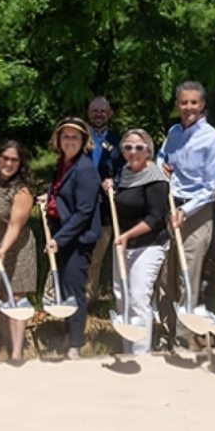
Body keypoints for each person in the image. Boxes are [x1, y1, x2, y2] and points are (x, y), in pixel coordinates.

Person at [158, 81, 215, 346]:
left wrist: (185, 211)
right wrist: (159, 166)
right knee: (167, 276)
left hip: (195, 213)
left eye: (193, 103)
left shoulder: (212, 139)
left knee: (189, 277)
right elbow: (161, 158)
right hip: (171, 207)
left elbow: (211, 187)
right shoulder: (174, 132)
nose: (188, 108)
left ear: (203, 105)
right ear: (177, 105)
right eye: (183, 102)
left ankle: (183, 341)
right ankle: (165, 331)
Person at [40, 117, 102, 360]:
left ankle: (75, 345)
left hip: (78, 238)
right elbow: (60, 190)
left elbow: (84, 212)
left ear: (84, 140)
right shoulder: (63, 163)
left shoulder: (85, 169)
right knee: (65, 289)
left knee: (74, 290)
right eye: (65, 136)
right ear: (58, 139)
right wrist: (49, 199)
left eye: (75, 137)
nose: (69, 140)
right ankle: (68, 337)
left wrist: (59, 239)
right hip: (64, 232)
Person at [107, 129, 169, 355]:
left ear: (149, 150)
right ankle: (128, 349)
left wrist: (127, 235)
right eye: (128, 147)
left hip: (149, 245)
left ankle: (142, 353)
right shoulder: (124, 173)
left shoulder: (155, 177)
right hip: (124, 243)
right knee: (121, 296)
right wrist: (110, 187)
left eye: (139, 147)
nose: (133, 151)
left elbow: (156, 217)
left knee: (138, 297)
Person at [0, 140, 37, 361]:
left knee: (16, 296)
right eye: (5, 158)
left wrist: (3, 249)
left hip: (16, 247)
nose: (9, 163)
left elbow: (15, 225)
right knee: (1, 295)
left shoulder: (21, 189)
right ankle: (6, 342)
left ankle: (17, 352)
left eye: (14, 160)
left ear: (20, 163)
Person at [86, 96, 123, 303]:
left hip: (107, 209)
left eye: (103, 111)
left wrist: (115, 182)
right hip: (81, 206)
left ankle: (87, 299)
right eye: (95, 110)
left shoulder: (120, 142)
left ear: (110, 114)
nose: (99, 114)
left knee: (96, 258)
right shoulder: (81, 138)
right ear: (88, 114)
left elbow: (126, 170)